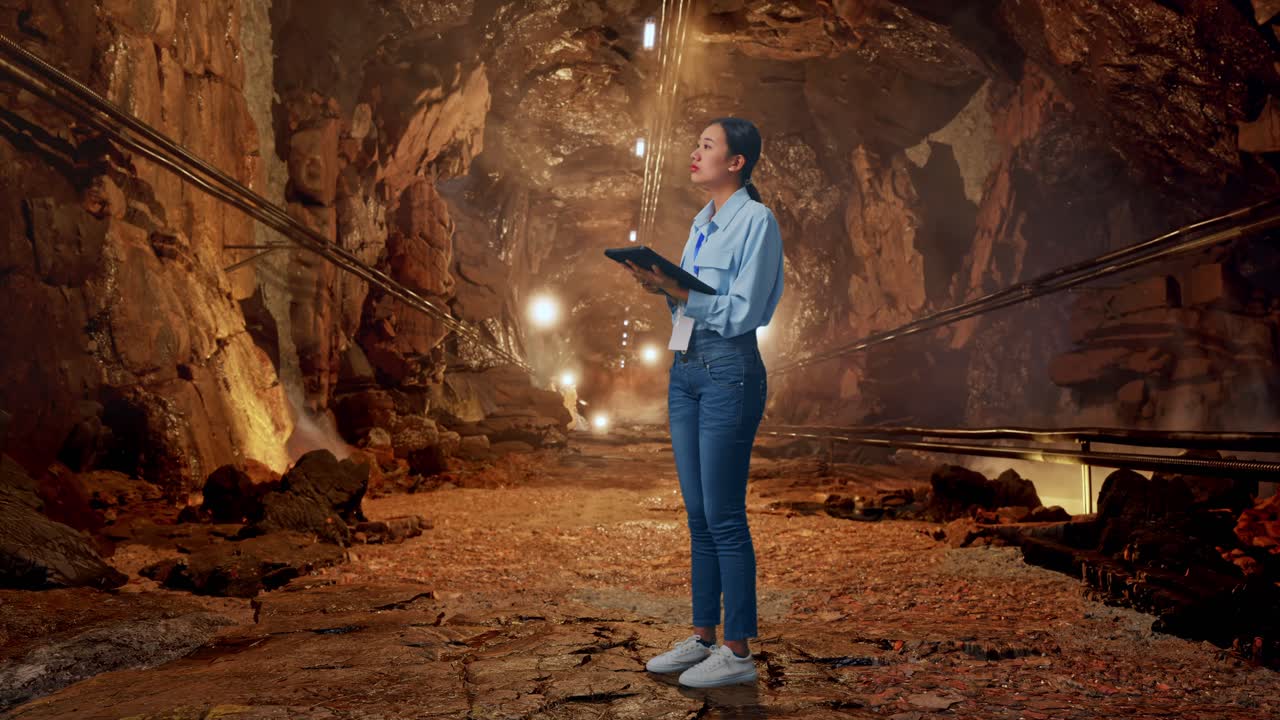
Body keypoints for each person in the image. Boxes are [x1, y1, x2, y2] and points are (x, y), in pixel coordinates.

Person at [623, 116, 784, 688]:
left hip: (728, 371)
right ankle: (702, 637)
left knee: (725, 515)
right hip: (686, 368)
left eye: (707, 146)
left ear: (736, 162)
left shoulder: (756, 222)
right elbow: (689, 304)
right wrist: (665, 289)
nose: (696, 153)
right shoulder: (701, 223)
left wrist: (679, 290)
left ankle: (738, 652)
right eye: (697, 145)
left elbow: (745, 311)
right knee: (697, 515)